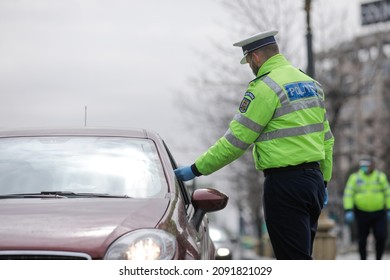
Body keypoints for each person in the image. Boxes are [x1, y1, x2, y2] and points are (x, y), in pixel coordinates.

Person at [174, 30, 334, 260]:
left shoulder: (265, 88)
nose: (250, 66)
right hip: (314, 183)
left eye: (248, 60)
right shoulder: (311, 85)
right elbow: (327, 139)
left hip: (284, 185)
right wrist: (324, 180)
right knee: (301, 254)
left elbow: (234, 143)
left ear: (256, 57)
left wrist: (196, 169)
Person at [343, 158, 390, 260]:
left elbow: (387, 193)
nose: (364, 168)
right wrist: (348, 209)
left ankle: (379, 259)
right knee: (362, 239)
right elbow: (348, 194)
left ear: (372, 166)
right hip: (361, 213)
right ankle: (363, 260)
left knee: (381, 236)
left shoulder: (380, 177)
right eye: (362, 166)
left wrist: (389, 208)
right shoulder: (355, 178)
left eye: (366, 165)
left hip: (379, 213)